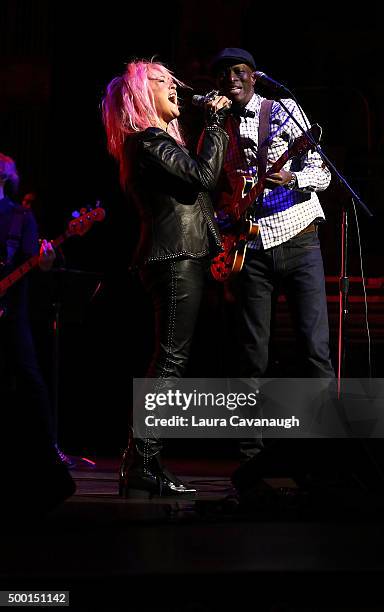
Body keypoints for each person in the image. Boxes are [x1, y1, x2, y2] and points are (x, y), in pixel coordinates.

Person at [102, 59, 231, 497]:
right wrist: (214, 124)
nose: (174, 88)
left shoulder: (153, 143)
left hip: (179, 255)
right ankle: (140, 462)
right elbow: (203, 176)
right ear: (141, 96)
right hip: (173, 258)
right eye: (161, 82)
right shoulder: (149, 140)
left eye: (172, 81)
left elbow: (194, 195)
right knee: (170, 361)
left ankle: (147, 462)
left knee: (170, 359)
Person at [209, 48, 335, 491]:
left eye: (239, 71)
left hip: (299, 236)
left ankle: (325, 457)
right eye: (224, 74)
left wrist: (293, 179)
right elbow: (215, 184)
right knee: (251, 355)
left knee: (314, 349)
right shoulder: (216, 123)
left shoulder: (283, 110)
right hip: (251, 246)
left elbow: (322, 173)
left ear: (255, 76)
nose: (232, 79)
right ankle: (251, 460)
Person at [0, 152, 75, 514]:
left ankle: (47, 451)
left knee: (29, 379)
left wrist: (46, 260)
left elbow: (38, 263)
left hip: (11, 315)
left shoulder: (19, 216)